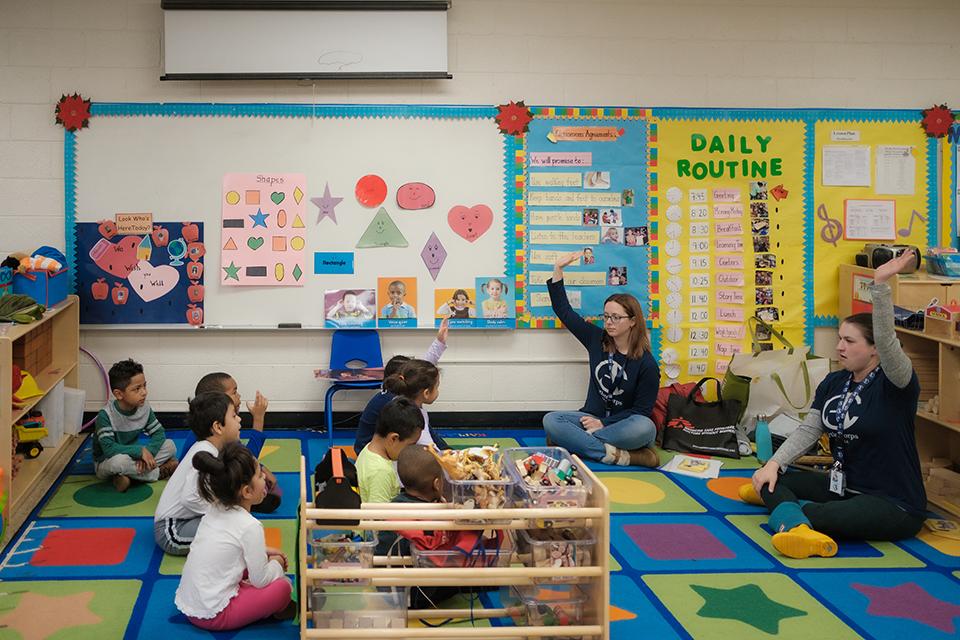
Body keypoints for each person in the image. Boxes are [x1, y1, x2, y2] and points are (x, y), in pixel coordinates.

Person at [742, 252, 926, 559]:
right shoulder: (835, 382)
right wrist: (774, 463)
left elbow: (888, 338)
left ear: (874, 351)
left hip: (892, 501)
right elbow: (810, 429)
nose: (839, 346)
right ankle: (797, 526)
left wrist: (879, 284)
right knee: (776, 478)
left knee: (820, 513)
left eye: (850, 341)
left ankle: (794, 519)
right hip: (844, 487)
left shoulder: (896, 383)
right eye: (840, 338)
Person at [543, 251, 660, 467]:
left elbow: (641, 411)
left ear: (633, 321)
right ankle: (627, 456)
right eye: (606, 316)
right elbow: (564, 311)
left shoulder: (647, 364)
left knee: (646, 427)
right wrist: (558, 269)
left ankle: (574, 443)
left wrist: (603, 423)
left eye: (616, 317)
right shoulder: (596, 339)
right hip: (589, 418)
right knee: (552, 420)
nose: (609, 322)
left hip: (622, 425)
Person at [175, 442, 295, 631]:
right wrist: (277, 564)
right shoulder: (250, 526)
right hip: (215, 614)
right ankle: (276, 605)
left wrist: (264, 552)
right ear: (247, 491)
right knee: (283, 588)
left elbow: (226, 546)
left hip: (191, 603)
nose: (265, 477)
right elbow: (260, 580)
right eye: (259, 474)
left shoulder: (214, 508)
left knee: (259, 565)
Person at [154, 391, 240, 555]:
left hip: (185, 521)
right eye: (234, 416)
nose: (239, 419)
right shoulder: (204, 453)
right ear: (218, 427)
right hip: (172, 531)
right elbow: (190, 498)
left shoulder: (210, 449)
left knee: (233, 521)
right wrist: (219, 509)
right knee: (232, 531)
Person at [354, 320, 449, 453]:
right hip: (371, 451)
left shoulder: (404, 393)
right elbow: (428, 450)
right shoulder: (400, 408)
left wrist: (439, 342)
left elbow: (424, 369)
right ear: (425, 392)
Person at [194, 372, 281, 513]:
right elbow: (243, 461)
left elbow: (241, 454)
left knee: (265, 486)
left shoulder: (217, 427)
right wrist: (258, 419)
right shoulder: (207, 437)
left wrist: (262, 468)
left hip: (217, 481)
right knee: (265, 490)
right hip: (210, 491)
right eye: (235, 392)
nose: (239, 396)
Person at [94, 358, 178, 492]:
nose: (144, 392)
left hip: (134, 457)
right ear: (119, 394)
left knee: (170, 446)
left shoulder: (143, 407)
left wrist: (147, 452)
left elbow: (158, 433)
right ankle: (157, 473)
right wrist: (139, 451)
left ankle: (126, 477)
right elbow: (109, 449)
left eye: (144, 386)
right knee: (119, 462)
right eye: (137, 389)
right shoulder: (105, 415)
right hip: (107, 461)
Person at [356, 397, 425, 503]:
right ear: (394, 438)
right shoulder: (381, 472)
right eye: (410, 445)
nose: (410, 451)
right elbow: (377, 517)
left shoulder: (369, 448)